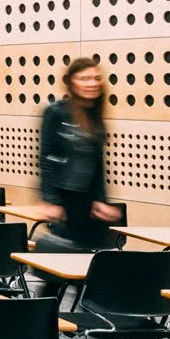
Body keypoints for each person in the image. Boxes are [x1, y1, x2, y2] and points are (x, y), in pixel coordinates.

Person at [34, 57, 123, 249]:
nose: (92, 83)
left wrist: (101, 199)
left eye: (96, 78)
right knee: (66, 257)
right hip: (66, 197)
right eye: (84, 78)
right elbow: (46, 157)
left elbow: (98, 164)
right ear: (71, 83)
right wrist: (51, 200)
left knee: (93, 256)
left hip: (89, 200)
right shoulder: (56, 112)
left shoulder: (94, 116)